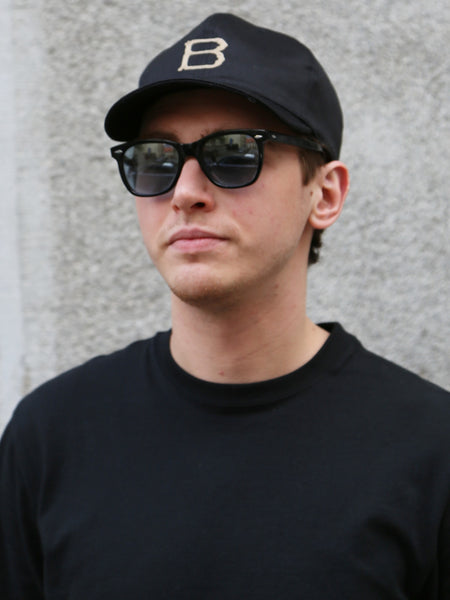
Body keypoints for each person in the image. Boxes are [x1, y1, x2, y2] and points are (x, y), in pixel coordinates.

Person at [0, 12, 449, 599]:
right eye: (156, 158)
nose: (185, 192)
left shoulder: (430, 448)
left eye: (234, 153)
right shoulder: (50, 436)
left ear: (325, 193)